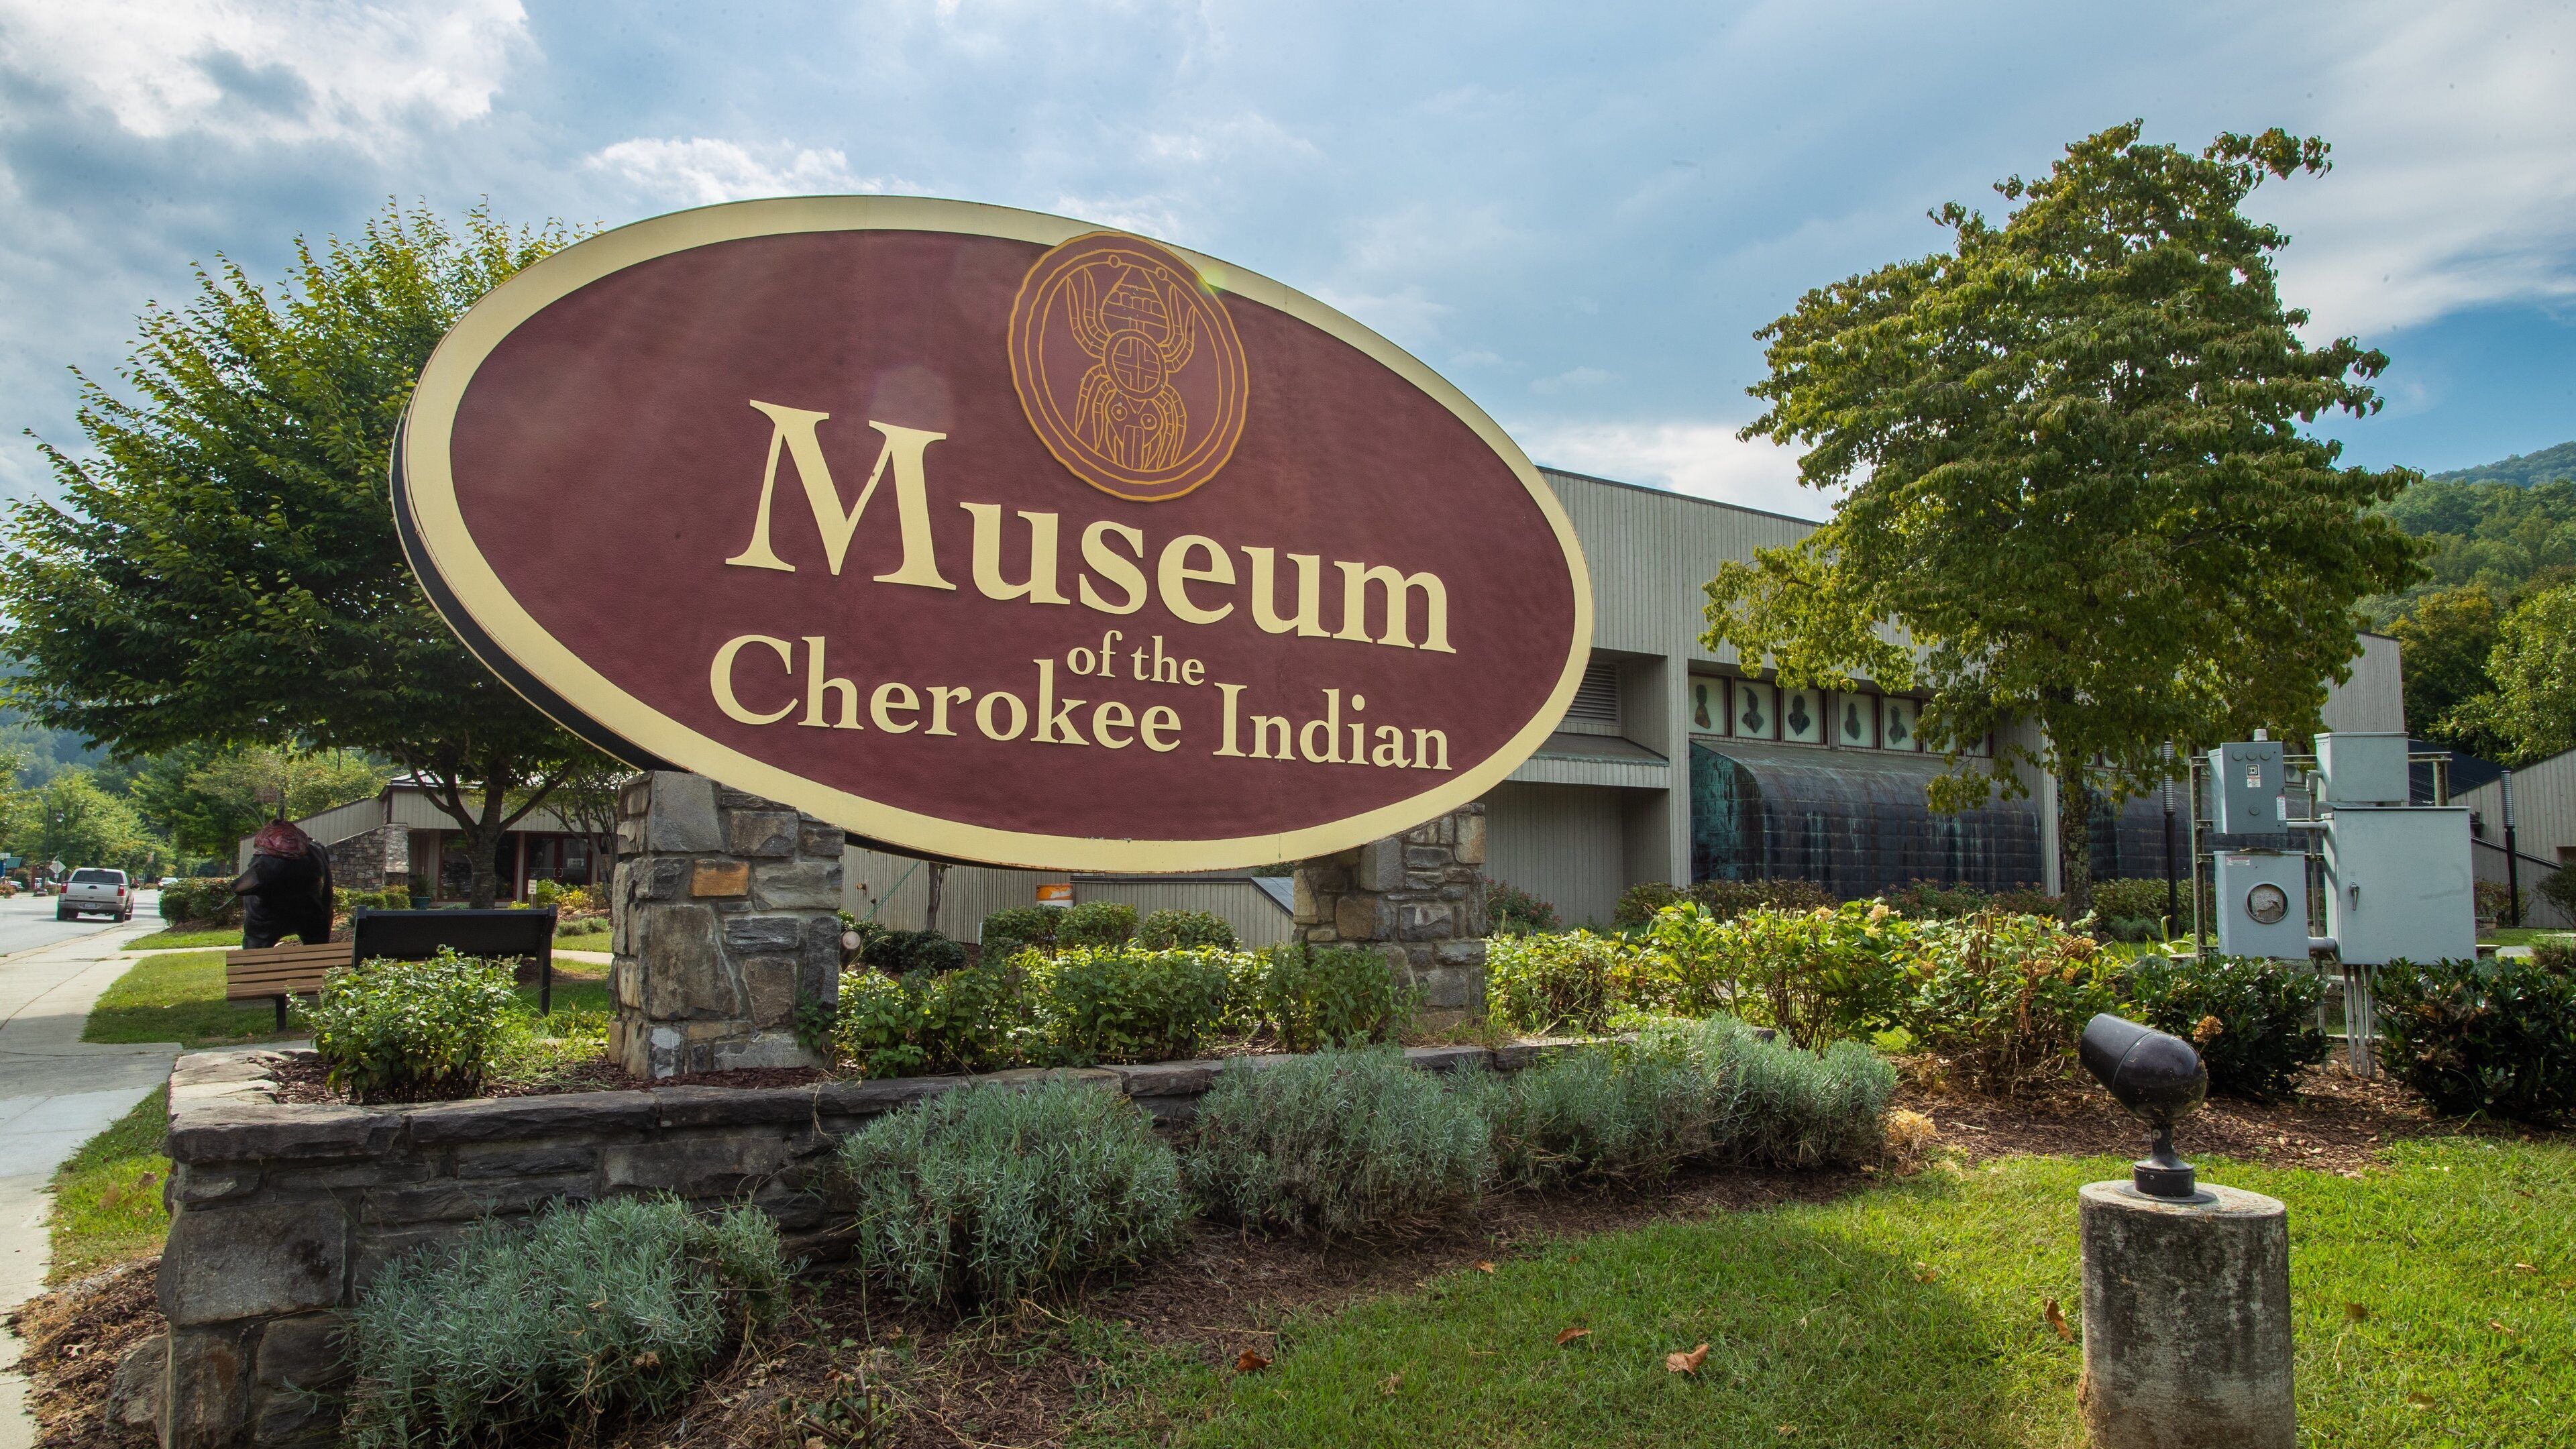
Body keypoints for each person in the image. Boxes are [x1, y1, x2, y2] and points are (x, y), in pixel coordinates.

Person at [235, 820, 334, 948]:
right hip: (311, 914)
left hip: (267, 919)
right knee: (317, 947)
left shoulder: (267, 863)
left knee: (255, 950)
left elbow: (239, 887)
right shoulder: (314, 854)